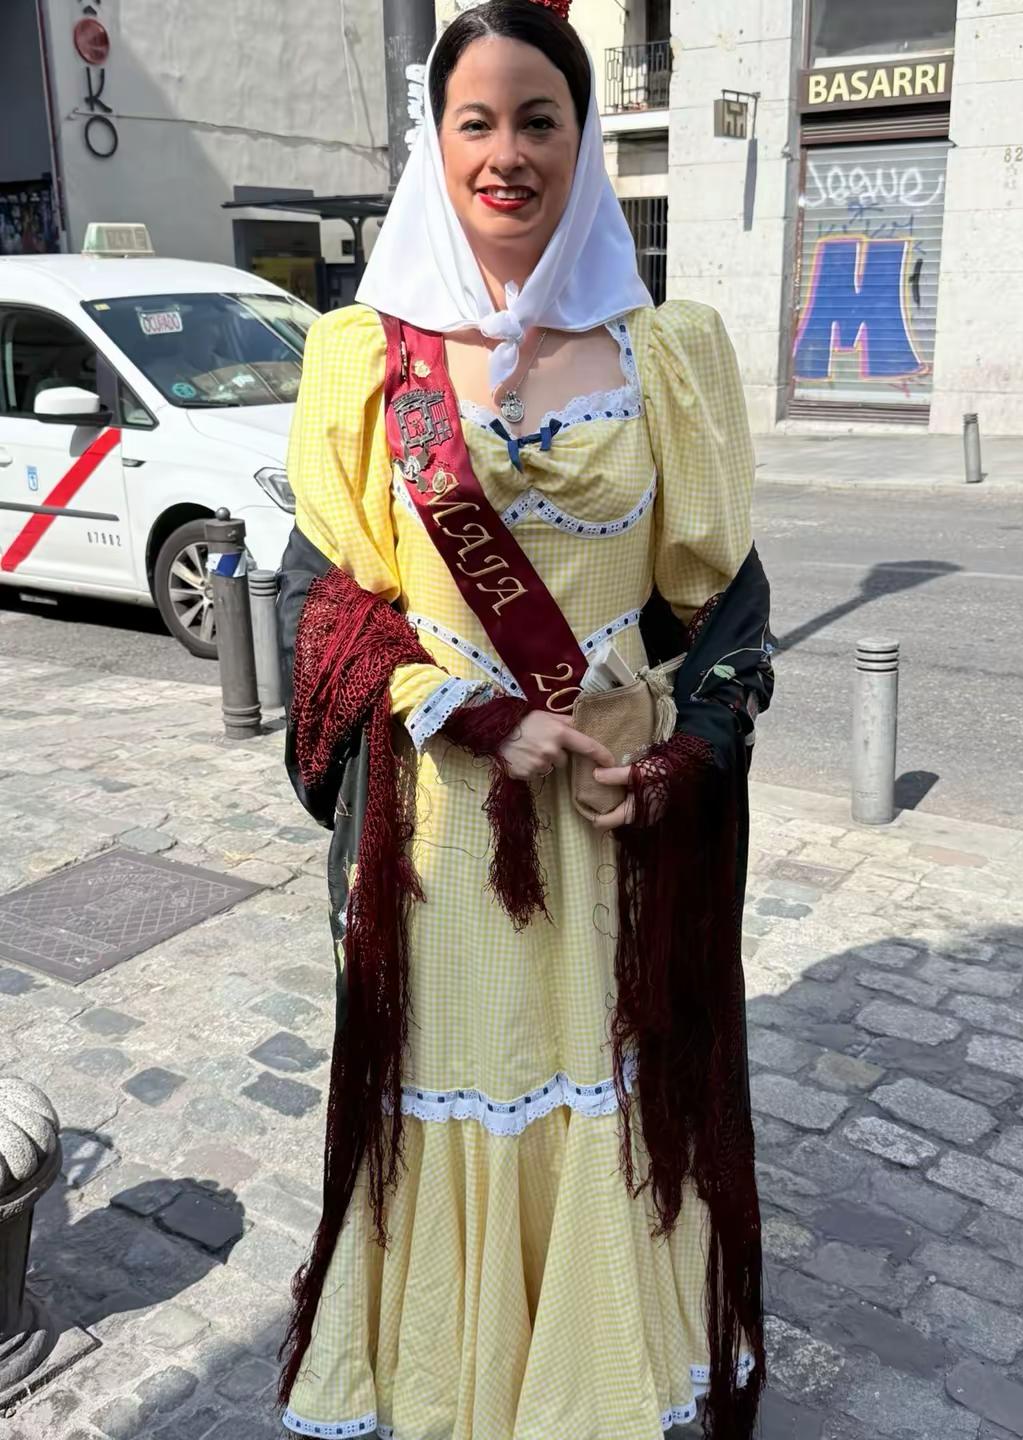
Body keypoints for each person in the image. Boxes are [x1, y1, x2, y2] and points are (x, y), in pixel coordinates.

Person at [275, 3, 776, 1437]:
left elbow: (732, 616)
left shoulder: (667, 352)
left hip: (616, 828)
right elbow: (325, 606)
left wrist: (685, 760)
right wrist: (471, 713)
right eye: (477, 122)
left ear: (583, 140)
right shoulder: (367, 360)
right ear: (435, 146)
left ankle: (596, 1383)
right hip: (446, 837)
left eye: (538, 120)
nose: (508, 153)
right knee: (463, 1081)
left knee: (617, 1094)